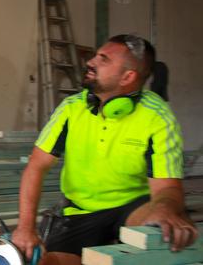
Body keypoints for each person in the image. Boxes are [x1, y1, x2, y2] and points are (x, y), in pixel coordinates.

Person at [12, 34, 198, 265]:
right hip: (80, 210)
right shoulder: (71, 109)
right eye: (96, 55)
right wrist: (25, 228)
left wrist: (164, 209)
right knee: (48, 262)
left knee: (162, 229)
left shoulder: (157, 116)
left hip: (133, 206)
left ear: (128, 76)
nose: (91, 62)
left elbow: (167, 187)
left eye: (104, 59)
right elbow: (36, 166)